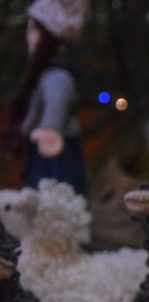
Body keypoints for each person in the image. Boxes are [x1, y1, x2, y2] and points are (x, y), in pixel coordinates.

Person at [2, 0, 89, 196]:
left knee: (59, 196)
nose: (28, 36)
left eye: (34, 29)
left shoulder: (57, 74)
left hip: (57, 152)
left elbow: (56, 100)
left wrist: (50, 128)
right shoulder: (44, 73)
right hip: (42, 150)